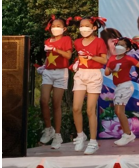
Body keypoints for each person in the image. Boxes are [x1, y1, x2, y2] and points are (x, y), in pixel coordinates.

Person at [104, 37, 139, 146]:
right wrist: (111, 68)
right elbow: (106, 73)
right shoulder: (112, 58)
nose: (119, 47)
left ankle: (127, 134)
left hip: (126, 86)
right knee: (117, 111)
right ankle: (128, 134)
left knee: (119, 111)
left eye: (122, 45)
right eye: (118, 44)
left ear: (128, 49)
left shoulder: (128, 59)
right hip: (118, 87)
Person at [70, 16, 108, 154]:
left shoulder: (99, 42)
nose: (83, 28)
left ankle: (93, 141)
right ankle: (81, 135)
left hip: (94, 75)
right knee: (76, 108)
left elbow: (104, 60)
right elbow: (79, 57)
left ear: (94, 28)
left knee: (90, 110)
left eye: (87, 26)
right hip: (81, 75)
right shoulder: (77, 42)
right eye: (81, 26)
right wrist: (76, 63)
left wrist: (91, 57)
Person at [37, 15, 73, 150]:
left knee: (56, 103)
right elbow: (49, 57)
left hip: (61, 73)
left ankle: (58, 135)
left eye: (58, 26)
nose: (55, 28)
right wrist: (43, 66)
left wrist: (55, 49)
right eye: (53, 26)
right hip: (48, 72)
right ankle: (49, 129)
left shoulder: (66, 39)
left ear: (64, 28)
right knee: (43, 100)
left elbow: (68, 55)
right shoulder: (47, 41)